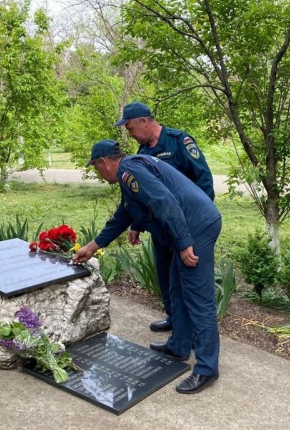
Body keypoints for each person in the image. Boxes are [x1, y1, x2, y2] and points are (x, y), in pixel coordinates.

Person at [74, 140, 222, 394]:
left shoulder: (128, 170)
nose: (99, 174)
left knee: (199, 299)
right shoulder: (130, 170)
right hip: (189, 225)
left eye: (97, 169)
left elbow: (165, 201)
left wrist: (185, 243)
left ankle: (207, 368)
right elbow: (125, 213)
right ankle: (179, 345)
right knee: (177, 287)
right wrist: (92, 246)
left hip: (195, 226)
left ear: (103, 162)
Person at [114, 101, 215, 334]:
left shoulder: (180, 142)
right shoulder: (142, 152)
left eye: (130, 128)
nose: (130, 134)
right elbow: (142, 195)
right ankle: (174, 319)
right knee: (165, 277)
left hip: (186, 228)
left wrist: (192, 226)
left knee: (187, 280)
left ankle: (188, 328)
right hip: (162, 229)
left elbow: (204, 182)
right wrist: (136, 225)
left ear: (144, 121)